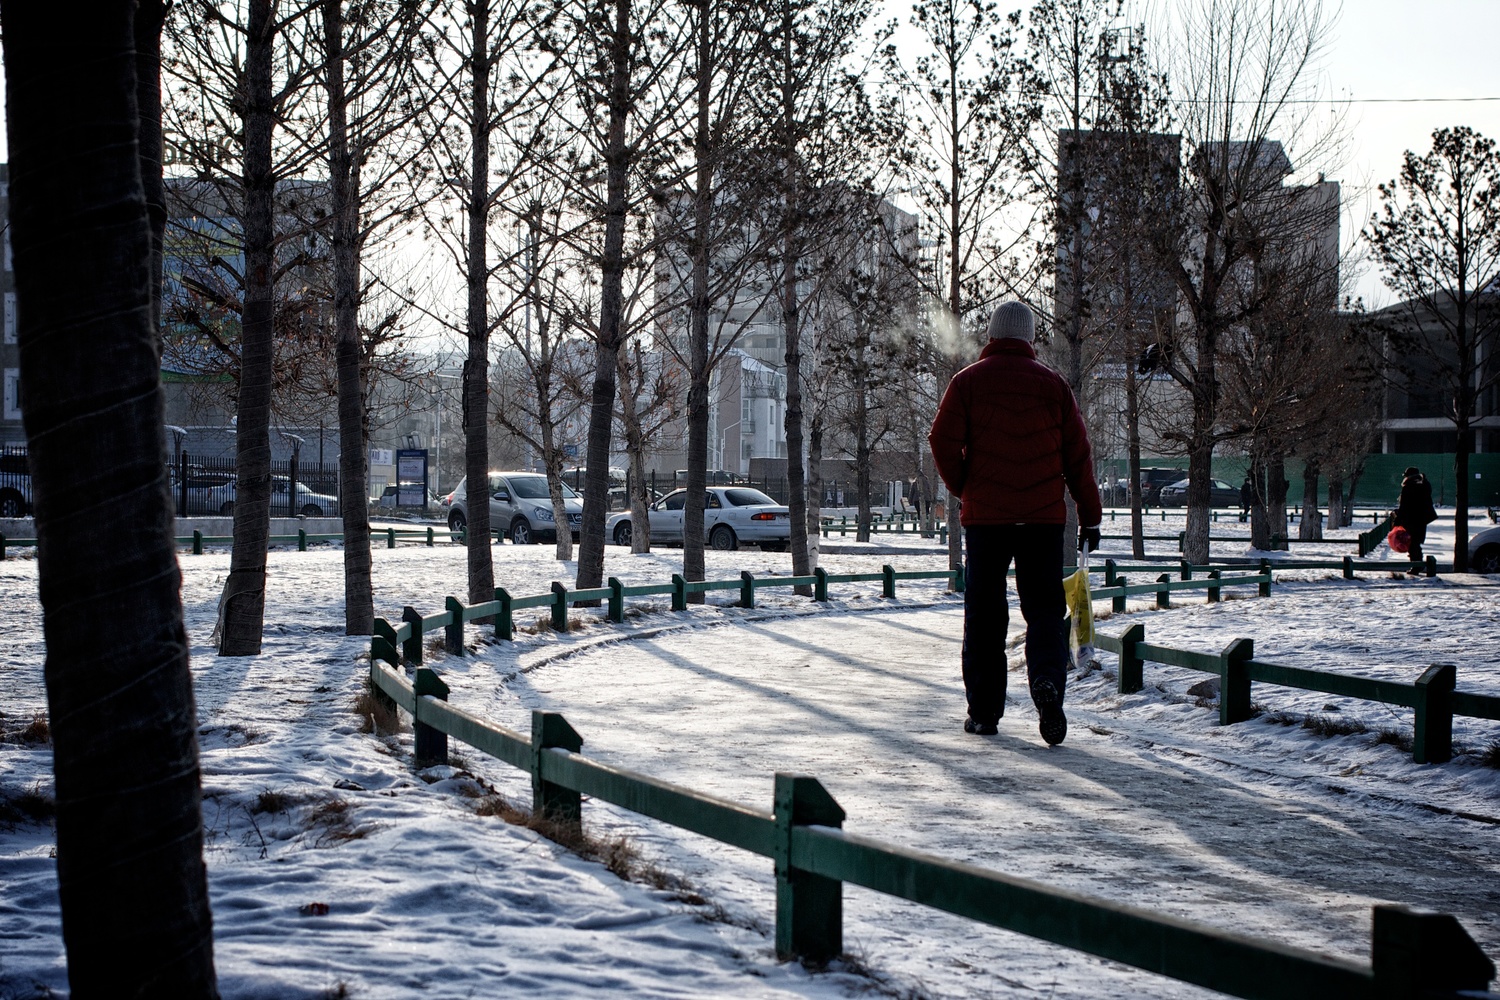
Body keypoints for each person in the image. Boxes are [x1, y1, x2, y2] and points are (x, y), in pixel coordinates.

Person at [928, 301, 1103, 747]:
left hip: (986, 519)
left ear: (991, 335)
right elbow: (1078, 458)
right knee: (1045, 610)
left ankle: (985, 712)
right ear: (1029, 337)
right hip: (1044, 520)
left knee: (985, 614)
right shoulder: (1055, 387)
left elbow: (942, 441)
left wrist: (966, 486)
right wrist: (1090, 517)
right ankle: (1047, 685)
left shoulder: (967, 382)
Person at [1394, 466, 1437, 573]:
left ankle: (1416, 565)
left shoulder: (1408, 486)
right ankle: (1417, 564)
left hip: (1411, 519)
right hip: (1422, 519)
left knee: (1411, 543)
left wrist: (1397, 521)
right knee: (1415, 542)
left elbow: (1404, 506)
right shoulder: (1424, 485)